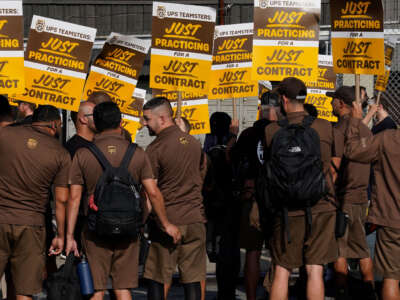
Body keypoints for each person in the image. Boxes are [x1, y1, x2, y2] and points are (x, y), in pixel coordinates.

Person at [66, 101, 180, 300]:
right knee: (123, 287)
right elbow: (152, 193)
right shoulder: (137, 153)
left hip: (94, 229)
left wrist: (68, 235)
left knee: (97, 289)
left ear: (96, 124)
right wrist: (163, 223)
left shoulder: (83, 155)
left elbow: (74, 198)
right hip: (128, 230)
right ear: (120, 123)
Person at [265, 77, 341, 300]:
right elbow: (336, 162)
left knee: (282, 269)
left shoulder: (271, 131)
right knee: (315, 269)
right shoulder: (325, 127)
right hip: (321, 206)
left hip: (287, 210)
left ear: (283, 100)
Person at [0, 105, 70, 300]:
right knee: (25, 290)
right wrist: (61, 235)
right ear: (56, 124)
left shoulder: (5, 135)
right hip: (32, 225)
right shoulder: (60, 153)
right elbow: (62, 200)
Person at [142, 97, 206, 300]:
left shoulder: (155, 149)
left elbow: (151, 192)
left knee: (157, 277)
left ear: (162, 118)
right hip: (195, 219)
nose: (144, 124)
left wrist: (151, 221)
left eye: (147, 119)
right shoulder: (195, 144)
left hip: (168, 221)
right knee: (193, 279)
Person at [345, 102, 400, 300]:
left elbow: (352, 150)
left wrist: (357, 120)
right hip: (391, 219)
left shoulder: (387, 139)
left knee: (391, 277)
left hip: (392, 220)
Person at [326, 86, 375, 300]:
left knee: (340, 251)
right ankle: (369, 290)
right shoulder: (365, 129)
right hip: (361, 198)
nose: (331, 104)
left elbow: (333, 166)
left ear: (341, 103)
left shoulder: (338, 130)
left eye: (333, 100)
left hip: (342, 198)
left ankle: (342, 292)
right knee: (362, 248)